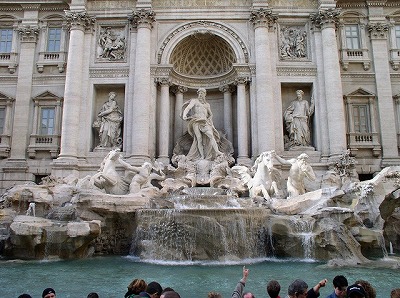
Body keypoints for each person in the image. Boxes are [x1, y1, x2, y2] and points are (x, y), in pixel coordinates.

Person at [181, 88, 223, 160]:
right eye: (199, 93)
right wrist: (185, 114)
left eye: (202, 93)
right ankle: (202, 156)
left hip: (204, 122)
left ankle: (217, 151)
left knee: (211, 135)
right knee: (199, 139)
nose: (200, 95)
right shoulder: (194, 101)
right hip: (196, 121)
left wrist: (209, 120)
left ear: (205, 94)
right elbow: (188, 108)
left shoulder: (207, 105)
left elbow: (210, 114)